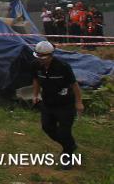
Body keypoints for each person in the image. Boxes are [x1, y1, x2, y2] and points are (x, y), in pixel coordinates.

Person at [32, 40, 83, 169]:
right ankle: (70, 146)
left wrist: (78, 102)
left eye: (44, 57)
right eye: (39, 57)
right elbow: (36, 80)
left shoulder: (63, 66)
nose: (41, 60)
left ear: (51, 55)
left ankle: (68, 155)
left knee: (64, 132)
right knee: (47, 127)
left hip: (65, 104)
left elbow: (74, 85)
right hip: (48, 103)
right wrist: (35, 95)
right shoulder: (36, 65)